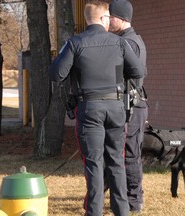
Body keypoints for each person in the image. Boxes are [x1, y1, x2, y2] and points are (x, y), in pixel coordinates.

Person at [48, 1, 144, 215]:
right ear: (103, 18)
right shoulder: (119, 43)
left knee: (94, 165)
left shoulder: (75, 43)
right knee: (116, 162)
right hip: (116, 108)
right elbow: (138, 70)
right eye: (108, 17)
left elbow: (55, 74)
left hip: (89, 108)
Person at [109, 0, 148, 213]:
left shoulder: (129, 43)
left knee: (130, 155)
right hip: (131, 105)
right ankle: (124, 196)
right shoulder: (128, 40)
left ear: (121, 18)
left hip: (131, 106)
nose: (107, 20)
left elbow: (124, 78)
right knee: (124, 154)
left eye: (110, 16)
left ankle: (134, 201)